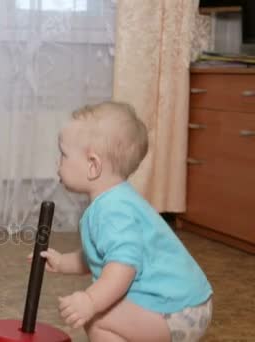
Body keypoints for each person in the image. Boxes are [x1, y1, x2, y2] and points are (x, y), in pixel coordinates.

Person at [30, 102, 213, 341]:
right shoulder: (115, 200)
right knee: (101, 319)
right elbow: (101, 255)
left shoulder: (113, 210)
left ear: (93, 165)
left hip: (176, 310)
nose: (58, 162)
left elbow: (122, 267)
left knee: (98, 319)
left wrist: (90, 300)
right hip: (183, 303)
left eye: (63, 154)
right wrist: (63, 262)